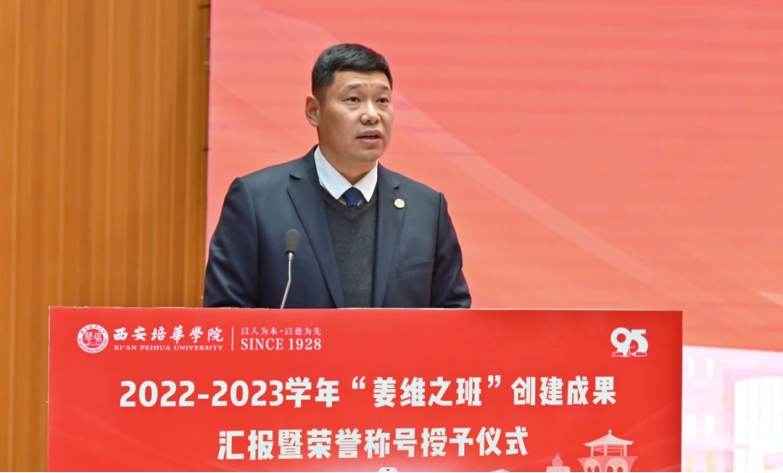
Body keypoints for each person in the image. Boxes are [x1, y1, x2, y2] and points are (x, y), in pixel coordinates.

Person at [204, 43, 470, 309]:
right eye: (353, 99)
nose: (372, 115)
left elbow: (454, 315)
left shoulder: (426, 209)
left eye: (382, 101)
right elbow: (226, 317)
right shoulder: (255, 202)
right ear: (314, 110)